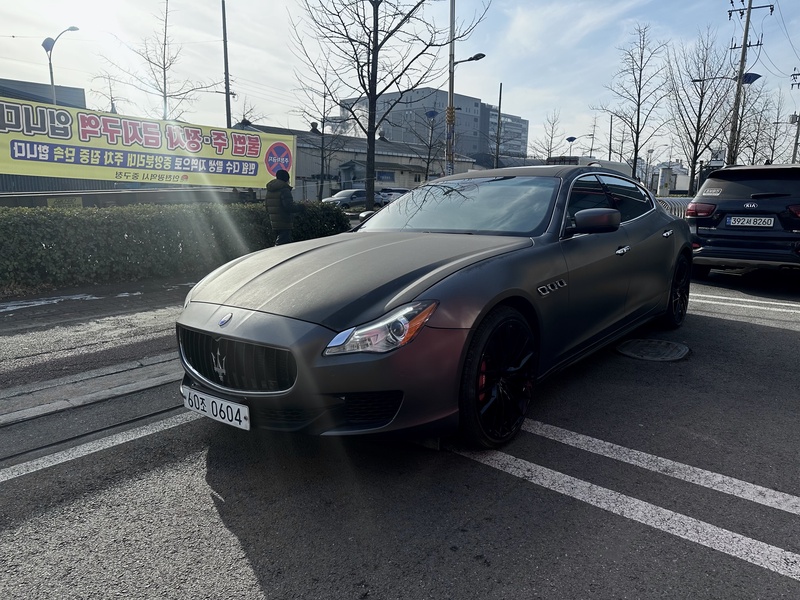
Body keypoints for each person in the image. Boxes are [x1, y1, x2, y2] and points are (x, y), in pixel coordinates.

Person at [265, 169, 301, 246]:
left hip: (273, 222)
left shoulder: (270, 190)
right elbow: (289, 207)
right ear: (287, 179)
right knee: (283, 245)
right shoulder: (284, 190)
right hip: (284, 222)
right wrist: (302, 207)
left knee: (278, 244)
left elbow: (267, 206)